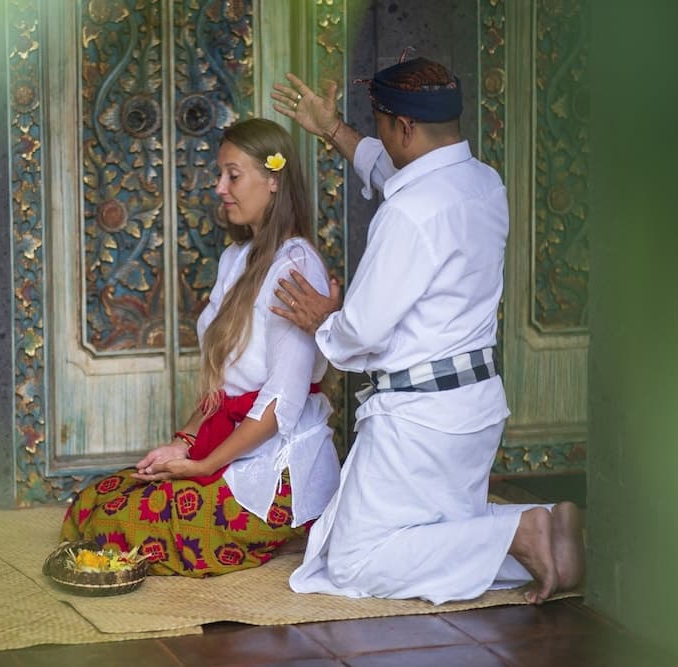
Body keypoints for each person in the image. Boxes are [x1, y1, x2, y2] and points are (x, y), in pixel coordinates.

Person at [268, 57, 585, 605]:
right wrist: (332, 129)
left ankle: (518, 532)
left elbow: (362, 330)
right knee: (438, 532)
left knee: (353, 561)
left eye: (382, 125)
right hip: (474, 409)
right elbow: (393, 173)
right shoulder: (483, 183)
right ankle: (549, 526)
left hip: (417, 423)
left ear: (404, 127)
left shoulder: (409, 213)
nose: (381, 138)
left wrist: (325, 322)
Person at [61, 118, 341, 577]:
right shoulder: (236, 259)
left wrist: (206, 464)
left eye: (233, 175)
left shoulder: (295, 266)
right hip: (227, 440)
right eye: (219, 175)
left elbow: (281, 404)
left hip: (278, 469)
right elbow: (224, 383)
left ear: (273, 180)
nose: (219, 188)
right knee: (97, 500)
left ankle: (293, 523)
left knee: (116, 526)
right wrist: (183, 443)